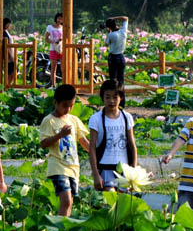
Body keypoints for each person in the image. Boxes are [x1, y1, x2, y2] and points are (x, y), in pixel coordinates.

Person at [39, 84, 90, 216]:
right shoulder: (49, 121)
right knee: (66, 200)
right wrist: (60, 135)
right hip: (58, 166)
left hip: (73, 166)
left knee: (70, 201)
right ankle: (59, 228)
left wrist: (97, 153)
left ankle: (63, 228)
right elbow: (43, 144)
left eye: (71, 105)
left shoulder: (74, 120)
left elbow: (83, 142)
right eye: (65, 105)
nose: (68, 109)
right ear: (55, 102)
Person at [88, 80, 137, 191]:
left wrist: (133, 171)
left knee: (122, 202)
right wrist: (96, 174)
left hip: (125, 169)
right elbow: (92, 148)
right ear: (102, 98)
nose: (111, 101)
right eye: (107, 97)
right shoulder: (96, 119)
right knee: (109, 197)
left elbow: (132, 145)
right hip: (105, 168)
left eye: (115, 97)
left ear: (121, 98)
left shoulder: (127, 117)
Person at [104, 16, 129, 89]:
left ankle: (114, 97)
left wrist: (108, 32)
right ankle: (122, 98)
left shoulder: (111, 35)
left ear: (108, 27)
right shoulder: (123, 31)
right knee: (121, 80)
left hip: (113, 57)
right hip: (121, 57)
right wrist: (113, 18)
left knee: (113, 80)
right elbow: (125, 18)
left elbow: (106, 43)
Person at [45, 13, 63, 88]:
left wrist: (61, 40)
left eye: (61, 18)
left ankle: (63, 85)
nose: (60, 20)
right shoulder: (50, 27)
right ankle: (54, 85)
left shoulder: (63, 28)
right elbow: (46, 38)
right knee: (53, 68)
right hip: (53, 49)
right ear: (56, 19)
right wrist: (53, 42)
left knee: (63, 68)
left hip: (61, 49)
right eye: (59, 18)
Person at [3, 17, 16, 86]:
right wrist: (11, 56)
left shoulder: (6, 32)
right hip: (8, 55)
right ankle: (7, 85)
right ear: (7, 24)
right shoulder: (4, 33)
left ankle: (7, 85)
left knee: (12, 71)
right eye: (9, 24)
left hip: (11, 53)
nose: (10, 26)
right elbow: (6, 46)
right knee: (13, 71)